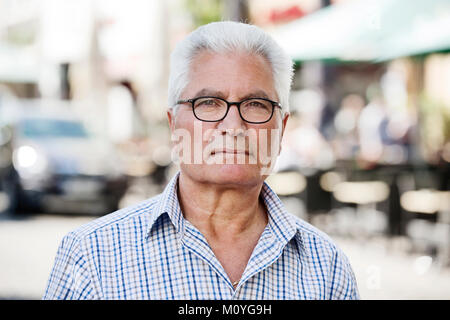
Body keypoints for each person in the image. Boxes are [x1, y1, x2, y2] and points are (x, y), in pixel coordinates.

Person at [43, 21, 359, 300]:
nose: (234, 127)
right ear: (173, 124)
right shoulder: (93, 256)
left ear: (282, 129)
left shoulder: (326, 266)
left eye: (256, 104)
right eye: (208, 103)